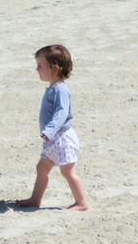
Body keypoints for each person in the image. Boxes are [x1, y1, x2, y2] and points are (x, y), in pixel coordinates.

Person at [14, 44, 89, 212]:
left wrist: (49, 130)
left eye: (40, 65)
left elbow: (61, 114)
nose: (37, 69)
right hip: (53, 140)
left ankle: (81, 202)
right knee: (42, 168)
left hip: (61, 139)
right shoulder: (53, 88)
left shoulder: (60, 90)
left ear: (54, 67)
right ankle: (35, 199)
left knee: (68, 171)